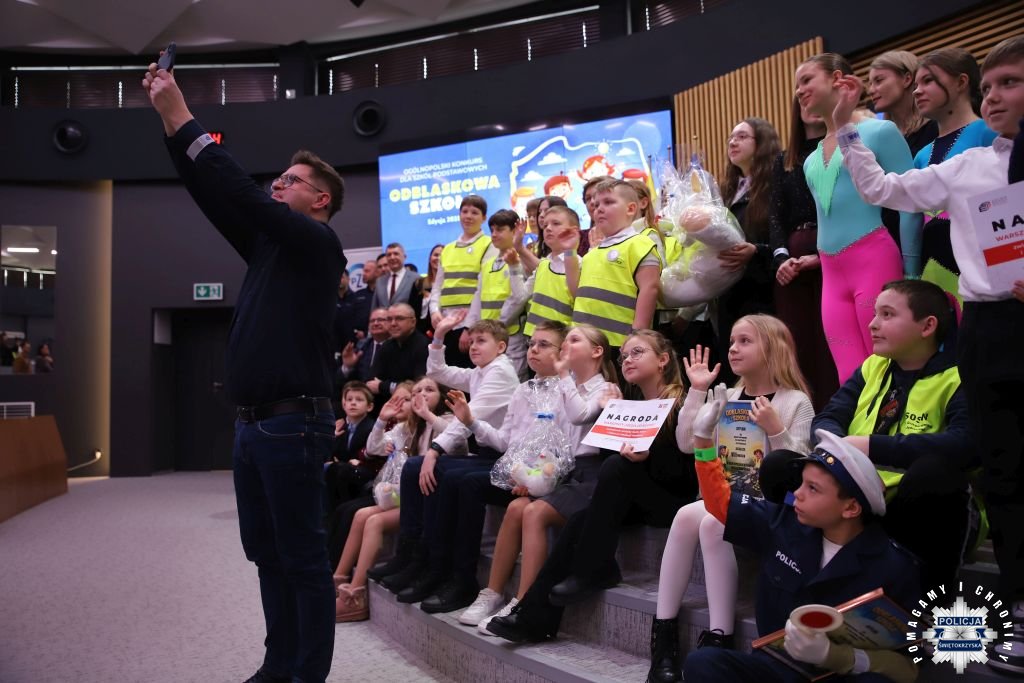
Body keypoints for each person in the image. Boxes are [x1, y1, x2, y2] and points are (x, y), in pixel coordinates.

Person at [143, 61, 345, 683]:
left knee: (302, 558)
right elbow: (214, 193)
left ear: (321, 199)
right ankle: (277, 666)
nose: (278, 184)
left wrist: (184, 116)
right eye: (278, 178)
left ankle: (306, 674)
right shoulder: (268, 246)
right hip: (253, 426)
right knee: (266, 555)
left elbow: (241, 193)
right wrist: (172, 131)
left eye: (291, 180)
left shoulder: (318, 245)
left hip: (293, 422)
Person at [832, 35, 1024, 670]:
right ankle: (1018, 602)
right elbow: (884, 189)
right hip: (989, 325)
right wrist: (847, 131)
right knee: (1003, 469)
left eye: (1009, 83)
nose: (994, 96)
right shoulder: (971, 167)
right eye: (989, 85)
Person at [488, 330, 697, 642]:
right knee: (580, 519)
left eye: (637, 352)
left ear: (663, 360)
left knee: (612, 472)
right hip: (634, 499)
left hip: (673, 503)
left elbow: (684, 477)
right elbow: (613, 466)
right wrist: (613, 416)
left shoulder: (682, 402)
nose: (627, 360)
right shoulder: (629, 403)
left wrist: (646, 456)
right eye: (624, 356)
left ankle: (594, 570)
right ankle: (531, 617)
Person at [681, 419, 920, 683]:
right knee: (703, 663)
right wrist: (703, 441)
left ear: (851, 508)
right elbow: (721, 503)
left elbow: (909, 667)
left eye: (812, 488)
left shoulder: (894, 567)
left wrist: (836, 656)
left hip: (838, 676)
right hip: (776, 667)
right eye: (802, 483)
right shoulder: (783, 523)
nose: (797, 493)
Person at [650, 315, 813, 681]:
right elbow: (686, 443)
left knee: (712, 522)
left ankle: (720, 635)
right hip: (726, 495)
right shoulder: (728, 395)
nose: (734, 349)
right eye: (733, 341)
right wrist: (697, 391)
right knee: (686, 516)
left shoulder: (795, 401)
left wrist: (777, 430)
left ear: (772, 348)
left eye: (745, 341)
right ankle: (663, 636)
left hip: (769, 506)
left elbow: (800, 469)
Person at [812, 279, 973, 591]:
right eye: (875, 313)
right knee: (782, 466)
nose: (872, 324)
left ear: (927, 326)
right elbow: (827, 418)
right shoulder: (873, 366)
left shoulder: (958, 377)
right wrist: (842, 451)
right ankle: (805, 584)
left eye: (887, 314)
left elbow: (965, 445)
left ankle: (931, 601)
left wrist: (871, 447)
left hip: (916, 507)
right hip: (858, 495)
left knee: (934, 473)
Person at [462, 324, 618, 634]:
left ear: (597, 351)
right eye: (565, 340)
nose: (566, 346)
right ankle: (493, 592)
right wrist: (535, 479)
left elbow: (579, 416)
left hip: (591, 477)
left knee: (533, 512)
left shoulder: (606, 388)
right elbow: (553, 442)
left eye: (574, 340)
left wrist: (563, 376)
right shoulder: (563, 386)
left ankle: (524, 601)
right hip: (565, 473)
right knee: (516, 508)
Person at [412, 321, 571, 614]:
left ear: (563, 353)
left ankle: (463, 578)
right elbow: (504, 442)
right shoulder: (523, 390)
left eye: (543, 344)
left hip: (546, 477)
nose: (533, 350)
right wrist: (471, 421)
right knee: (451, 476)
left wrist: (533, 480)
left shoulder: (567, 391)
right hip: (516, 471)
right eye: (531, 344)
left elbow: (565, 448)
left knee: (467, 481)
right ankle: (438, 567)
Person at [795, 53, 922, 383]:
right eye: (797, 84)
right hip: (831, 274)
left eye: (806, 80)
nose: (799, 90)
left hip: (873, 260)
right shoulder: (810, 161)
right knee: (849, 374)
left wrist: (911, 273)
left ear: (837, 78)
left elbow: (910, 202)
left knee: (888, 366)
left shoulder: (880, 132)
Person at [373, 316, 519, 597]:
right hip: (488, 452)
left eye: (481, 341)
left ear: (501, 347)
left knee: (445, 473)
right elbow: (437, 371)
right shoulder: (481, 371)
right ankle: (413, 557)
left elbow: (465, 420)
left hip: (502, 455)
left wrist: (434, 451)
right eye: (472, 341)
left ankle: (444, 568)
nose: (473, 347)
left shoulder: (500, 372)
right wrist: (439, 334)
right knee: (413, 467)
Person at [333, 378, 455, 622]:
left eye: (428, 390)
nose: (421, 395)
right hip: (407, 498)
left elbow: (455, 441)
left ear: (441, 396)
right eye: (417, 391)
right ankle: (338, 580)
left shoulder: (447, 420)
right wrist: (381, 420)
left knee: (374, 521)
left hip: (432, 502)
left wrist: (427, 415)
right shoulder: (406, 428)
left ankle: (357, 595)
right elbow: (373, 448)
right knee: (360, 515)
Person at [912, 48, 997, 311]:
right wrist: (911, 271)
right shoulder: (922, 155)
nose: (917, 91)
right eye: (916, 84)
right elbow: (913, 217)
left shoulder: (988, 133)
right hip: (931, 267)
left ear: (961, 82)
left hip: (981, 268)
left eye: (928, 81)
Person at [772, 98, 837, 410]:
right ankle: (800, 412)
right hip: (793, 256)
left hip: (834, 246)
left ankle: (833, 409)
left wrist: (821, 257)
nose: (810, 107)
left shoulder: (840, 148)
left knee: (830, 338)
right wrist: (782, 259)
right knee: (795, 338)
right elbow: (776, 216)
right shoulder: (784, 160)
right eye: (802, 101)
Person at [716, 117, 782, 384]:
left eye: (742, 136)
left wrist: (757, 251)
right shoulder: (726, 191)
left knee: (764, 364)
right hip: (729, 292)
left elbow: (785, 238)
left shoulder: (776, 185)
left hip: (764, 291)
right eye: (731, 138)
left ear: (762, 143)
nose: (733, 142)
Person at [569, 180, 662, 349]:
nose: (599, 209)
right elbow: (578, 294)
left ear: (631, 209)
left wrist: (636, 337)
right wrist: (569, 251)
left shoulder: (640, 244)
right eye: (596, 205)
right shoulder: (592, 253)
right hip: (583, 344)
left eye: (608, 202)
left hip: (618, 345)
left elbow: (650, 289)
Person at [428, 195, 498, 368]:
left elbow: (483, 288)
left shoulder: (489, 244)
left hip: (472, 325)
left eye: (474, 212)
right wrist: (434, 311)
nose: (468, 216)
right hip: (446, 324)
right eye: (464, 211)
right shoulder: (448, 249)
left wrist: (469, 327)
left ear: (484, 218)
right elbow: (438, 286)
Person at [463, 209, 529, 379]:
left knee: (514, 383)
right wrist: (470, 328)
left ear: (514, 231)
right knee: (487, 380)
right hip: (487, 336)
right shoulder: (487, 264)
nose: (494, 234)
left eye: (500, 229)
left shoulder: (522, 261)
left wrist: (498, 325)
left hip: (511, 336)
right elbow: (478, 297)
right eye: (492, 230)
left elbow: (518, 299)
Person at [521, 206, 581, 338]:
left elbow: (581, 304)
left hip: (560, 340)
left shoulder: (580, 265)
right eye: (545, 225)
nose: (548, 228)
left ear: (574, 231)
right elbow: (522, 295)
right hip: (533, 337)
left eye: (556, 223)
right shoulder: (543, 264)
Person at [867, 50, 938, 156]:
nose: (870, 91)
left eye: (879, 80)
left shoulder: (938, 128)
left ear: (907, 79)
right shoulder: (879, 141)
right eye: (870, 84)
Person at [324, 381, 378, 514]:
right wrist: (332, 437)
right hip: (342, 471)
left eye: (359, 400)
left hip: (362, 471)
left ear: (369, 406)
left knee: (336, 470)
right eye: (349, 399)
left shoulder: (372, 427)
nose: (353, 403)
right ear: (344, 404)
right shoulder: (339, 427)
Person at [365, 303, 429, 403]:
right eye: (389, 319)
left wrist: (383, 386)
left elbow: (419, 386)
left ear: (413, 322)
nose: (393, 323)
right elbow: (371, 382)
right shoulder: (387, 345)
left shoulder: (424, 346)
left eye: (399, 318)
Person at [338, 307, 390, 385]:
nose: (375, 323)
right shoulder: (362, 348)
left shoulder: (398, 346)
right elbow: (339, 383)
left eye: (380, 320)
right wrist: (347, 367)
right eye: (372, 321)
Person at [373, 242, 422, 313]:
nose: (392, 257)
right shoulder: (380, 281)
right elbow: (374, 309)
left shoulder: (416, 278)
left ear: (404, 257)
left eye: (396, 254)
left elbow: (420, 308)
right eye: (389, 255)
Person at [417, 244, 444, 335]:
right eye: (436, 255)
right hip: (421, 333)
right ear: (429, 258)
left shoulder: (451, 284)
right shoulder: (419, 283)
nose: (438, 258)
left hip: (444, 331)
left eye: (442, 255)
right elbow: (413, 311)